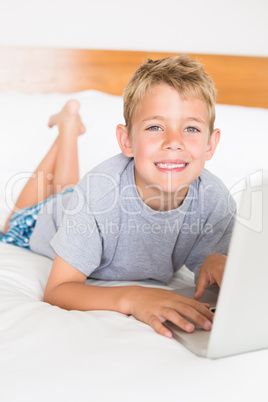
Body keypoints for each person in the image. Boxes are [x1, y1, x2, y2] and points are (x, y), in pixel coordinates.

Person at [1, 55, 236, 339]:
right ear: (127, 141)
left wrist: (215, 261)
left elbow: (215, 274)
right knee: (22, 215)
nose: (174, 141)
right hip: (43, 217)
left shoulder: (215, 201)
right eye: (155, 127)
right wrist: (134, 298)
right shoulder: (98, 194)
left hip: (79, 200)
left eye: (191, 128)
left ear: (211, 144)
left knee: (69, 191)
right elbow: (58, 290)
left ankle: (70, 126)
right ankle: (67, 129)